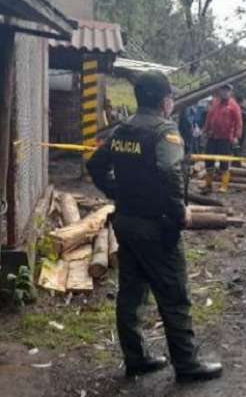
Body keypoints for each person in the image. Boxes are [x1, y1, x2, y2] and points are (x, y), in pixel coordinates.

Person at [86, 71, 222, 382]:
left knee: (131, 293)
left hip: (126, 222)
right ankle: (187, 364)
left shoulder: (122, 130)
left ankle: (136, 359)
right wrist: (179, 214)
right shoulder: (165, 132)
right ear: (164, 101)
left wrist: (116, 192)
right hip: (156, 228)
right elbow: (170, 171)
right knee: (173, 294)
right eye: (170, 97)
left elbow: (94, 165)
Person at [204, 83, 242, 193]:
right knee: (209, 160)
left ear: (230, 92)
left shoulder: (234, 105)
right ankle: (208, 184)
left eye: (227, 90)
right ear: (219, 91)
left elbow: (239, 122)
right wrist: (205, 130)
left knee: (224, 162)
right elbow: (209, 117)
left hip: (225, 138)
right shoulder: (215, 102)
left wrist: (236, 136)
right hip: (212, 136)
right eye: (223, 90)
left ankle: (223, 185)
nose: (225, 92)